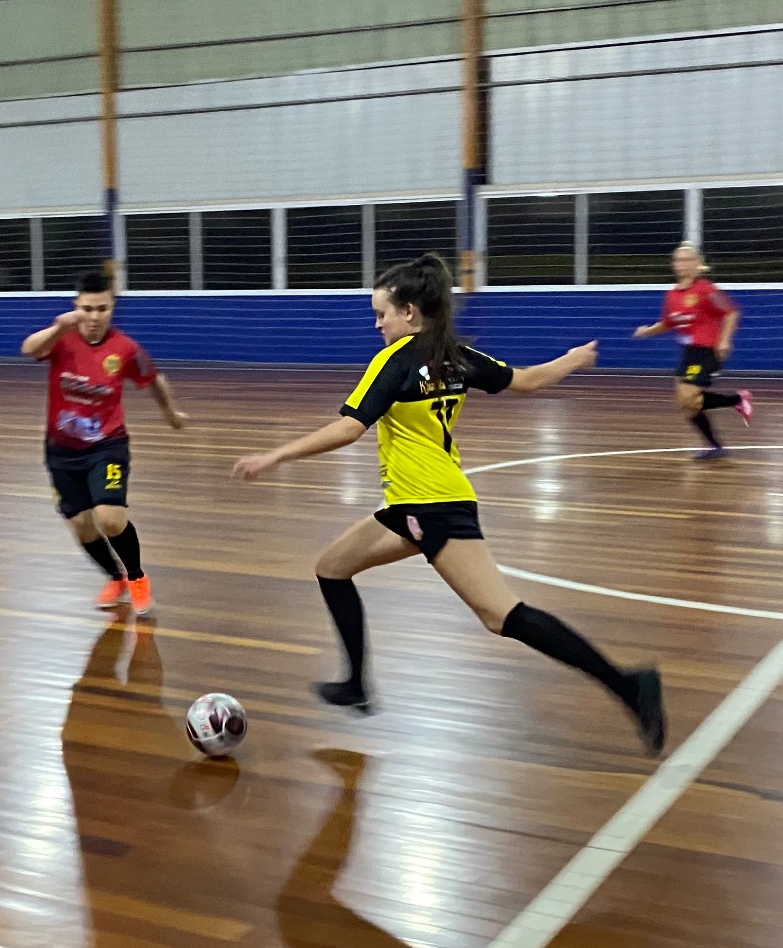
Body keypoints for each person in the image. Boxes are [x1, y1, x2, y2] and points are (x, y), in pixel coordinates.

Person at [231, 253, 666, 756]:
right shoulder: (455, 356)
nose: (378, 325)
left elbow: (350, 427)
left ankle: (629, 686)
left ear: (410, 312)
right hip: (412, 505)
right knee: (331, 567)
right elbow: (524, 381)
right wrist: (572, 359)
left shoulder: (393, 362)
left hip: (432, 507)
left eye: (382, 314)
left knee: (502, 615)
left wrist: (275, 456)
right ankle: (355, 684)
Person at [21, 271, 186, 615]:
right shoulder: (62, 340)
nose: (94, 317)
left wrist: (170, 412)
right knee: (81, 525)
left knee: (109, 518)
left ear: (112, 307)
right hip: (61, 450)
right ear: (76, 307)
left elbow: (153, 379)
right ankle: (116, 577)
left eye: (102, 309)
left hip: (106, 446)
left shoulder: (125, 349)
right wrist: (58, 327)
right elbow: (28, 349)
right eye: (87, 309)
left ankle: (138, 578)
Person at [633, 242, 753, 459]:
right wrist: (647, 331)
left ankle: (737, 400)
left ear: (698, 264)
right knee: (687, 404)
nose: (682, 264)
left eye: (688, 259)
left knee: (689, 396)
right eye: (678, 260)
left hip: (706, 350)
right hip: (688, 352)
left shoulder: (705, 288)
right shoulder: (672, 295)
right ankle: (715, 445)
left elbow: (731, 312)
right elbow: (668, 323)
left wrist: (725, 341)